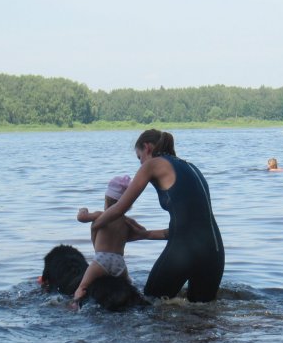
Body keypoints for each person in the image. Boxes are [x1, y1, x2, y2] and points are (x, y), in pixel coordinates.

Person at [91, 129, 224, 302]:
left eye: (139, 157)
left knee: (150, 304)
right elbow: (190, 226)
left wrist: (95, 224)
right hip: (214, 251)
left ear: (147, 148)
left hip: (185, 250)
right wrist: (145, 234)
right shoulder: (190, 166)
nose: (141, 164)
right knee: (202, 315)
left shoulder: (152, 164)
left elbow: (119, 208)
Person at [73, 174, 166, 306]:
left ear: (106, 199)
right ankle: (142, 301)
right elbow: (143, 232)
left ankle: (75, 303)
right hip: (119, 262)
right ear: (127, 205)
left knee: (82, 287)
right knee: (130, 285)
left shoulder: (101, 215)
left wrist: (83, 209)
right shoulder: (127, 222)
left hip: (101, 260)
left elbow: (81, 218)